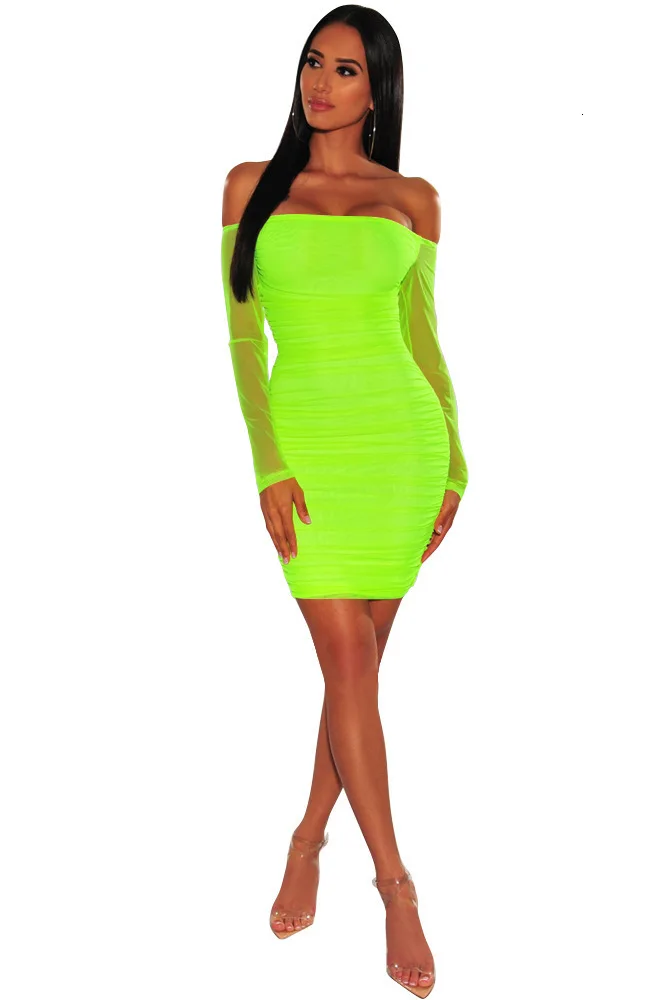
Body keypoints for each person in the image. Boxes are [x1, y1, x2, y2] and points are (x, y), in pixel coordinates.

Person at [220, 7, 468, 997]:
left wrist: (454, 464)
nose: (321, 83)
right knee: (350, 660)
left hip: (401, 449)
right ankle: (396, 885)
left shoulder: (413, 199)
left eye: (347, 70)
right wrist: (269, 467)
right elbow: (244, 342)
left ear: (379, 91)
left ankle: (307, 837)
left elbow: (423, 339)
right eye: (313, 62)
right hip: (310, 449)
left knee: (354, 671)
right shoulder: (251, 186)